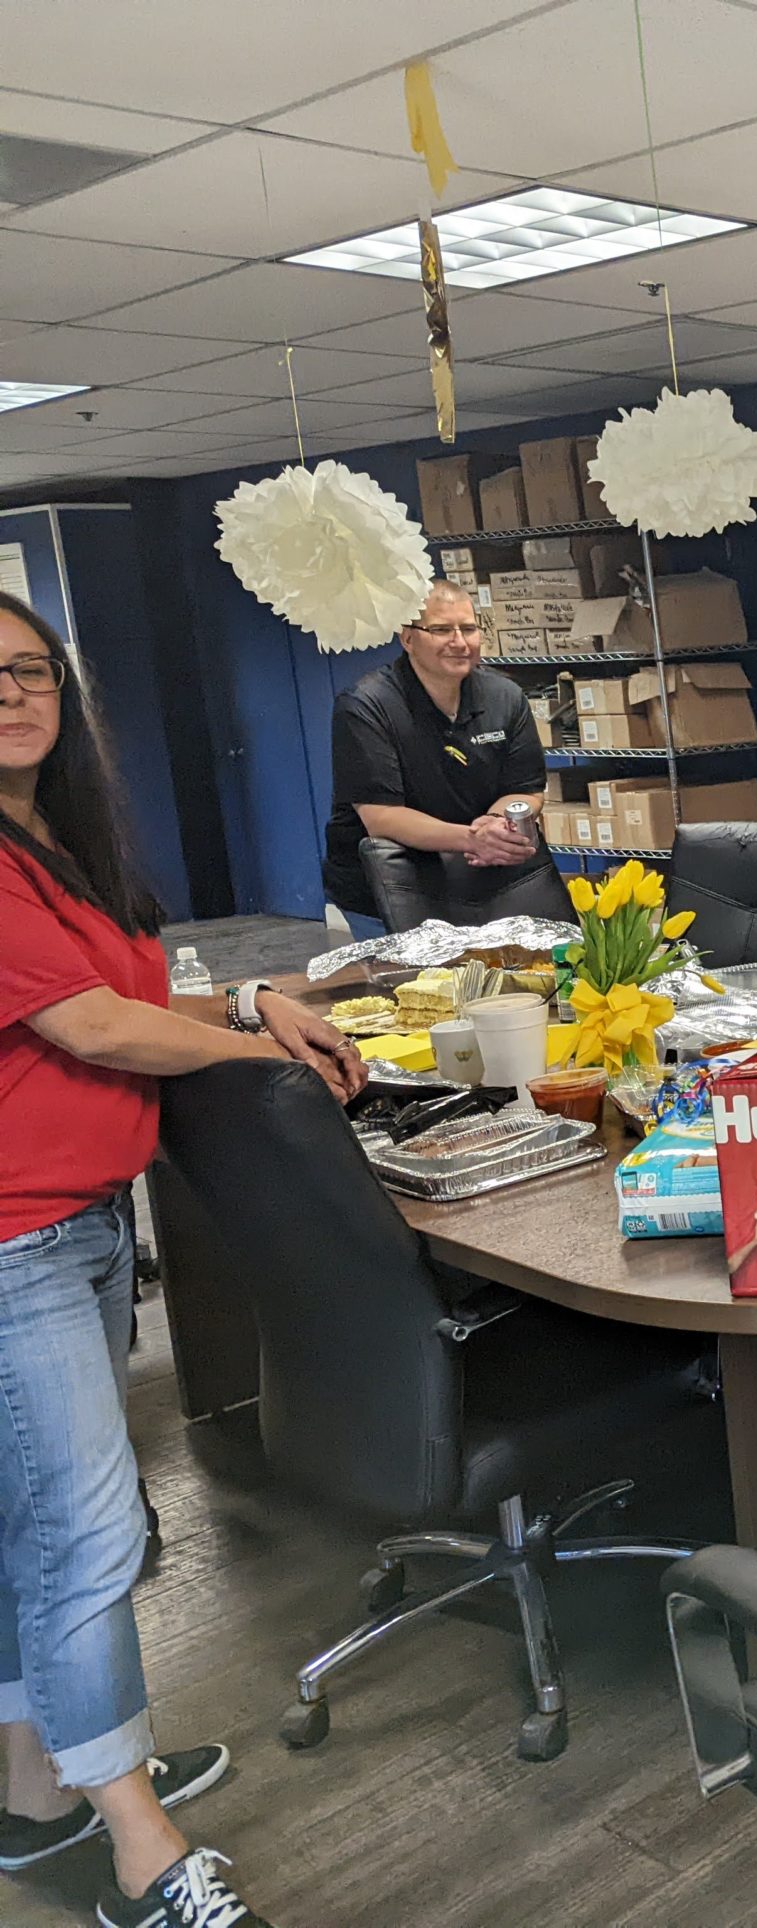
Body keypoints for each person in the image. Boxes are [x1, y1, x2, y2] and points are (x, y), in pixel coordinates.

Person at [0, 591, 365, 1928]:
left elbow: (136, 992)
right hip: (14, 1244)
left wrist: (256, 994)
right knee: (90, 1535)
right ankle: (140, 1847)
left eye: (32, 670)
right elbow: (95, 1029)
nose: (14, 695)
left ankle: (37, 1791)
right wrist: (257, 1044)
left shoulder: (49, 839)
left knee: (30, 1530)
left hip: (86, 1224)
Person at [321, 578, 548, 938]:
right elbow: (382, 817)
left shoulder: (505, 697)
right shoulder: (366, 706)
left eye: (468, 629)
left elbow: (526, 789)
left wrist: (495, 823)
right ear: (408, 638)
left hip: (481, 875)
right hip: (389, 887)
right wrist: (473, 839)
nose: (459, 642)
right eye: (441, 630)